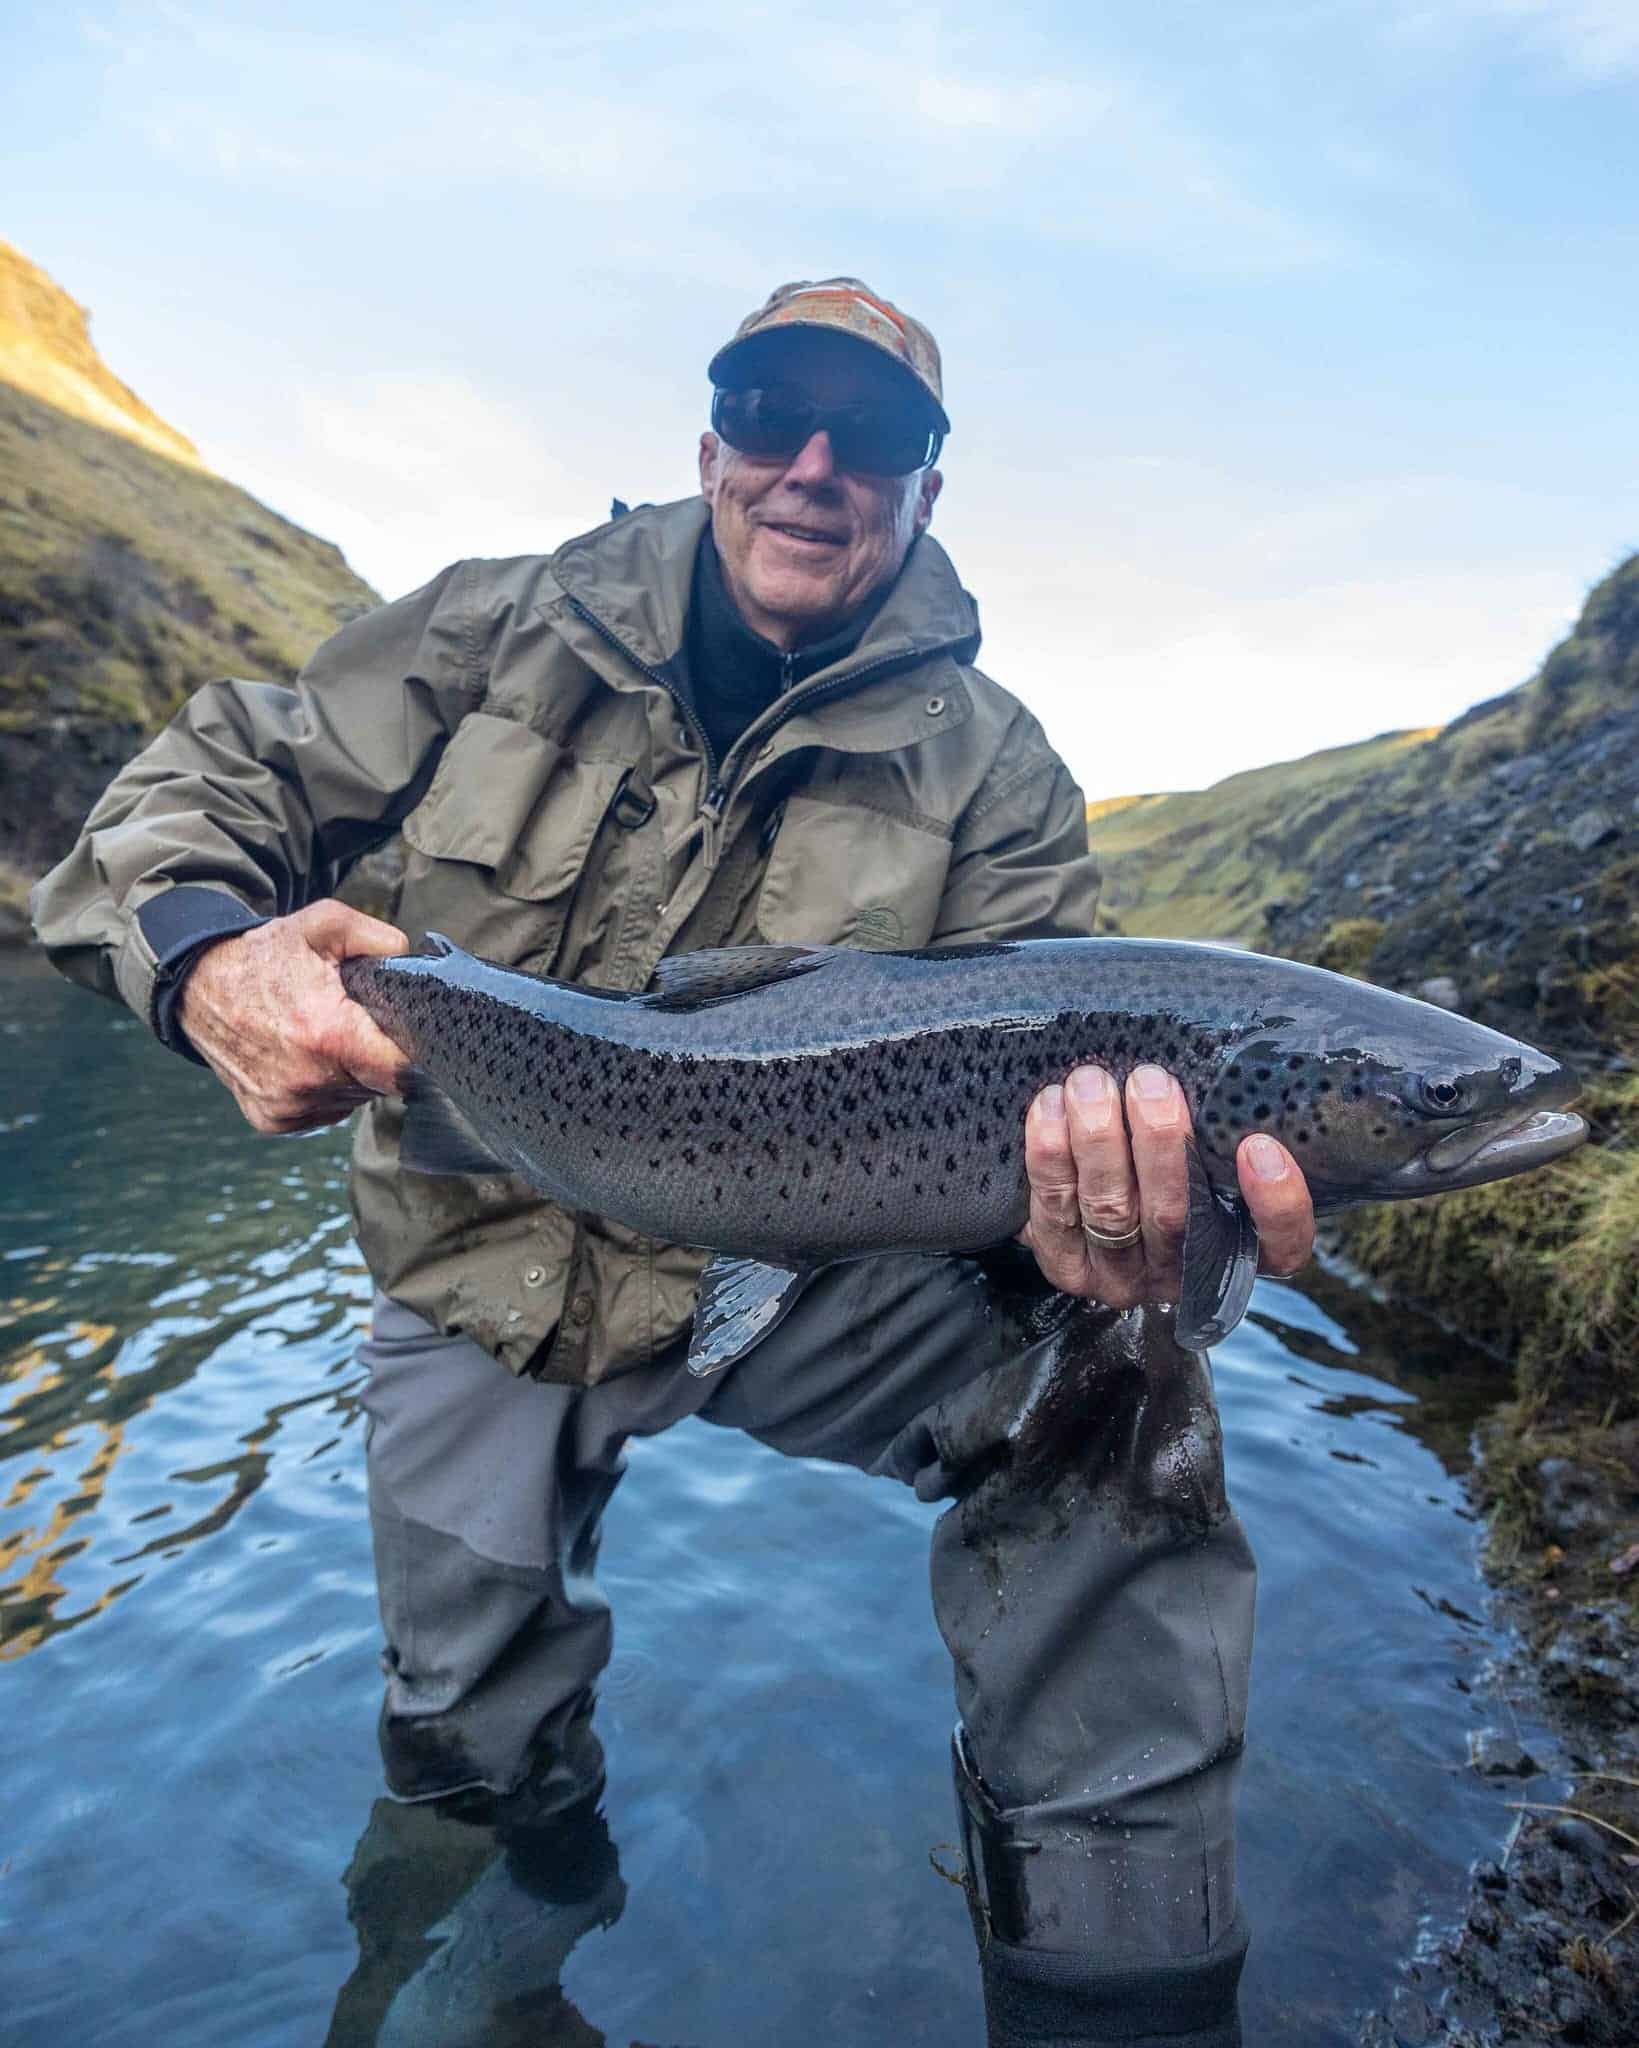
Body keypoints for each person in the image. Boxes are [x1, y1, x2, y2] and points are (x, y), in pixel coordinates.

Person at [32, 277, 1314, 2047]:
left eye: (874, 435)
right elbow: (199, 789)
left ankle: (1126, 1974)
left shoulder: (999, 774)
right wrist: (200, 959)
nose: (815, 464)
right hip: (478, 1247)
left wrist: (1096, 1238)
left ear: (927, 487)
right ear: (711, 446)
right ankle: (513, 1915)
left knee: (1124, 1395)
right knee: (463, 1734)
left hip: (830, 1269)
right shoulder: (493, 631)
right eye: (773, 412)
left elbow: (1039, 1137)